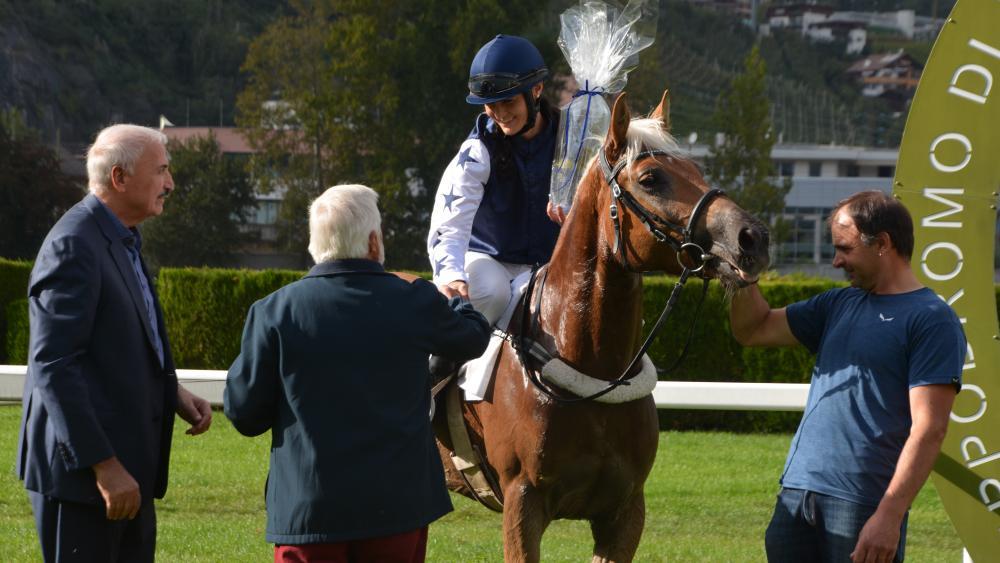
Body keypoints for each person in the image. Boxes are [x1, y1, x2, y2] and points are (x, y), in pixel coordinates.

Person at [224, 184, 491, 562]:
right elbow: (473, 338)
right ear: (372, 242)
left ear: (316, 243)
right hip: (398, 505)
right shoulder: (412, 300)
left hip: (309, 507)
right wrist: (458, 301)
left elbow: (244, 414)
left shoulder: (273, 312)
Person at [730, 191, 966, 562]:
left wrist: (889, 516)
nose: (837, 261)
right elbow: (754, 329)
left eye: (845, 248)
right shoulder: (837, 303)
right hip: (797, 492)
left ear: (883, 243)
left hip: (862, 504)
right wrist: (746, 274)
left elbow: (930, 429)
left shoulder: (932, 319)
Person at [17, 124, 213, 562]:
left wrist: (172, 392)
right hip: (87, 481)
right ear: (120, 178)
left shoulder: (119, 238)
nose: (171, 184)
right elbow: (54, 364)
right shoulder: (74, 245)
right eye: (161, 171)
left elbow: (115, 346)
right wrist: (103, 465)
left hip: (125, 475)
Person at [428, 34, 563, 325]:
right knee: (491, 291)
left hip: (549, 265)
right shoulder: (478, 149)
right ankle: (442, 363)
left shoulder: (571, 141)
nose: (500, 114)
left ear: (537, 89)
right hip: (487, 260)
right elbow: (450, 225)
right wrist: (451, 275)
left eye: (509, 101)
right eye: (490, 104)